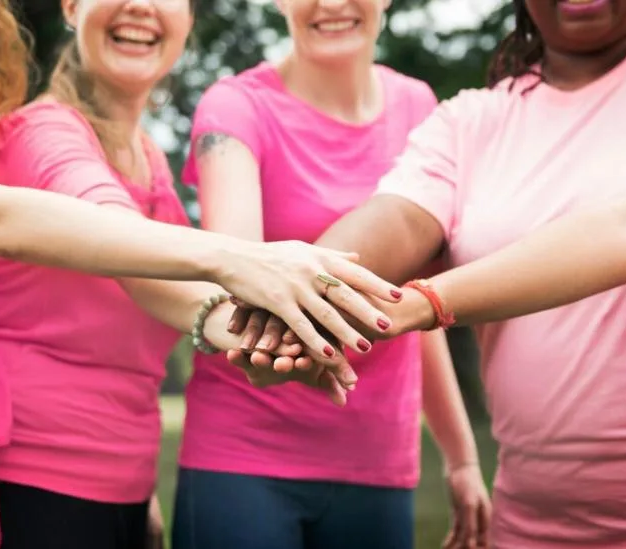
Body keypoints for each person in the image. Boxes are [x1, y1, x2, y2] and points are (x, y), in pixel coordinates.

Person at [0, 0, 399, 547]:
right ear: (70, 8)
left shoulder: (149, 155)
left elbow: (163, 293)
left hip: (104, 482)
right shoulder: (40, 134)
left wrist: (258, 337)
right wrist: (241, 260)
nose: (141, 5)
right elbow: (61, 227)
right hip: (28, 482)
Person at [234, 0, 626, 546]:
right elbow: (397, 220)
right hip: (528, 524)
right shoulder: (472, 121)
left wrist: (424, 302)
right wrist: (294, 304)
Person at [173, 1, 491, 548]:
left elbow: (409, 303)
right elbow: (239, 272)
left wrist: (461, 458)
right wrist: (272, 357)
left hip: (377, 460)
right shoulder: (236, 107)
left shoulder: (418, 106)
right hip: (242, 456)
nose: (332, 3)